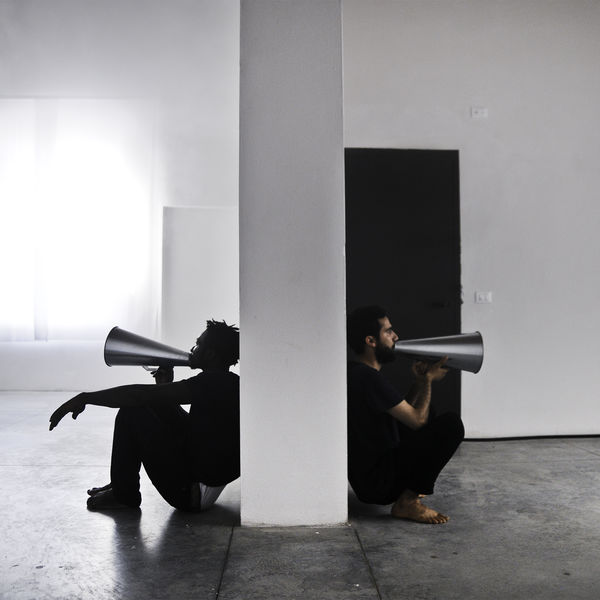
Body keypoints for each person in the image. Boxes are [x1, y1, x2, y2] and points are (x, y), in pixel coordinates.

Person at [49, 319, 240, 512]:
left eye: (198, 344)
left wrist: (85, 398)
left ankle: (124, 495)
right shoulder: (228, 382)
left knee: (132, 411)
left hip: (191, 494)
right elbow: (193, 428)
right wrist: (164, 388)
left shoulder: (210, 383)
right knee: (153, 404)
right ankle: (121, 484)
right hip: (202, 485)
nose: (193, 349)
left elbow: (138, 395)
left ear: (210, 354)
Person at [347, 306, 464, 524]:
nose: (396, 337)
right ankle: (407, 501)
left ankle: (411, 488)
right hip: (378, 483)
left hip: (370, 478)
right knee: (451, 425)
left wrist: (419, 382)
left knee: (430, 412)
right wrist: (428, 380)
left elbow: (404, 414)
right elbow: (417, 421)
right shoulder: (368, 378)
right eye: (388, 331)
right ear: (371, 341)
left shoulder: (358, 372)